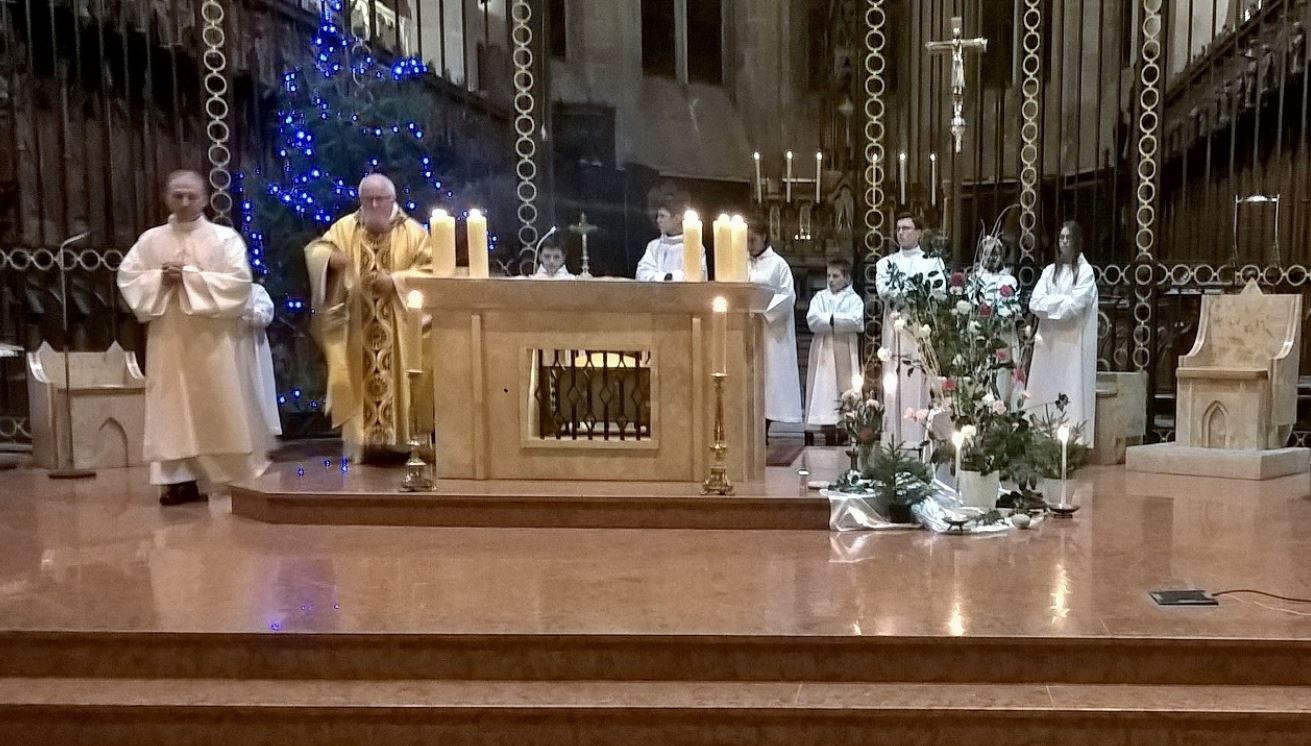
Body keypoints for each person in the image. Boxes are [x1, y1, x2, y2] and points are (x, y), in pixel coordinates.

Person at [116, 170, 269, 505]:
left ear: (204, 198)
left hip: (211, 338)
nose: (184, 202)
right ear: (166, 197)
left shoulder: (225, 238)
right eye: (177, 195)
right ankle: (178, 480)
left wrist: (189, 277)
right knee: (173, 409)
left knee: (216, 401)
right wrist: (159, 278)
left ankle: (226, 477)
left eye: (191, 195)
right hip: (169, 337)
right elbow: (129, 277)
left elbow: (239, 284)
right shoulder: (151, 240)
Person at [304, 173, 433, 464]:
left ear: (392, 199)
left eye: (380, 199)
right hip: (357, 326)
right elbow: (317, 250)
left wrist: (397, 281)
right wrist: (329, 261)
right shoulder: (345, 228)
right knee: (353, 378)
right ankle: (361, 443)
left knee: (408, 379)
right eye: (368, 199)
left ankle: (402, 443)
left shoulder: (414, 232)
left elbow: (431, 270)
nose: (374, 204)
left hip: (399, 328)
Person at [874, 212, 945, 444]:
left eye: (906, 228)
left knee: (919, 379)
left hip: (919, 331)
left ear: (919, 233)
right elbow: (885, 291)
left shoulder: (933, 263)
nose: (901, 233)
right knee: (893, 380)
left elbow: (938, 292)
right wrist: (914, 293)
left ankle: (918, 436)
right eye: (898, 229)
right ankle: (893, 438)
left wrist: (909, 293)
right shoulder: (886, 263)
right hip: (894, 329)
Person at [1027, 220, 1098, 441]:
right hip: (1049, 342)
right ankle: (1039, 434)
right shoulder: (1049, 272)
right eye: (1061, 238)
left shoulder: (1085, 272)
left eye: (1068, 238)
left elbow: (1076, 306)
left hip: (1073, 342)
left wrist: (1051, 305)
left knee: (1070, 388)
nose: (1064, 242)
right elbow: (1035, 303)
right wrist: (1060, 302)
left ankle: (1070, 440)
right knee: (1045, 390)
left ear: (1077, 241)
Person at [746, 218, 802, 430]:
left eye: (753, 240)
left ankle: (764, 427)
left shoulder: (779, 265)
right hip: (745, 327)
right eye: (746, 240)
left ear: (764, 238)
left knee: (768, 379)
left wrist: (759, 306)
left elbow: (787, 297)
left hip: (769, 331)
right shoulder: (738, 261)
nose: (749, 245)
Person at [804, 258, 864, 443]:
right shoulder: (820, 297)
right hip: (823, 348)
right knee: (824, 387)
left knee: (844, 387)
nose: (830, 280)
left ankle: (845, 427)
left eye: (835, 276)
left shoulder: (854, 299)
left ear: (847, 278)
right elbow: (812, 319)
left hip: (845, 346)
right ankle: (826, 426)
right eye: (828, 275)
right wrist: (836, 320)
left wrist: (830, 320)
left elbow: (856, 321)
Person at [968, 234, 1021, 405]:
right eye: (987, 253)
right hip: (980, 336)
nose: (991, 258)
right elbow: (972, 305)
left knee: (1002, 377)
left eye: (995, 253)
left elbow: (1012, 307)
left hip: (1002, 337)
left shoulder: (1008, 280)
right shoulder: (975, 279)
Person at [242, 282, 283, 441]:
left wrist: (242, 312)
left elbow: (264, 315)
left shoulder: (255, 291)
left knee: (255, 388)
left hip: (253, 351)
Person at [635, 197, 707, 281]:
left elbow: (697, 276)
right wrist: (667, 277)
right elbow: (642, 273)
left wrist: (670, 277)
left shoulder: (694, 246)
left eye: (662, 216)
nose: (658, 220)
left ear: (676, 219)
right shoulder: (654, 246)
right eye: (658, 216)